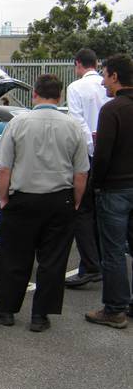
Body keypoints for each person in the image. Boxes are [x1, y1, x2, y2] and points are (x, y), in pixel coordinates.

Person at [0, 74, 89, 332]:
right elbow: (81, 172)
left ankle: (5, 310)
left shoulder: (19, 123)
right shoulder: (73, 126)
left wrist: (4, 198)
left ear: (35, 94)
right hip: (59, 200)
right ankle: (40, 316)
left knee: (14, 257)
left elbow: (4, 167)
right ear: (60, 96)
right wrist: (75, 202)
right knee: (53, 260)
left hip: (23, 199)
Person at [85, 53, 133, 329]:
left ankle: (115, 308)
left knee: (113, 251)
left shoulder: (113, 110)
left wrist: (96, 184)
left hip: (115, 188)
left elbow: (102, 156)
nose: (103, 82)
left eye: (104, 75)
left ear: (115, 76)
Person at [65, 48, 110, 288]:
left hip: (88, 155)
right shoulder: (108, 86)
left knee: (81, 210)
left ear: (78, 64)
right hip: (111, 155)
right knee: (106, 212)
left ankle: (90, 265)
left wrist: (90, 150)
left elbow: (78, 123)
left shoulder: (76, 88)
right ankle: (103, 261)